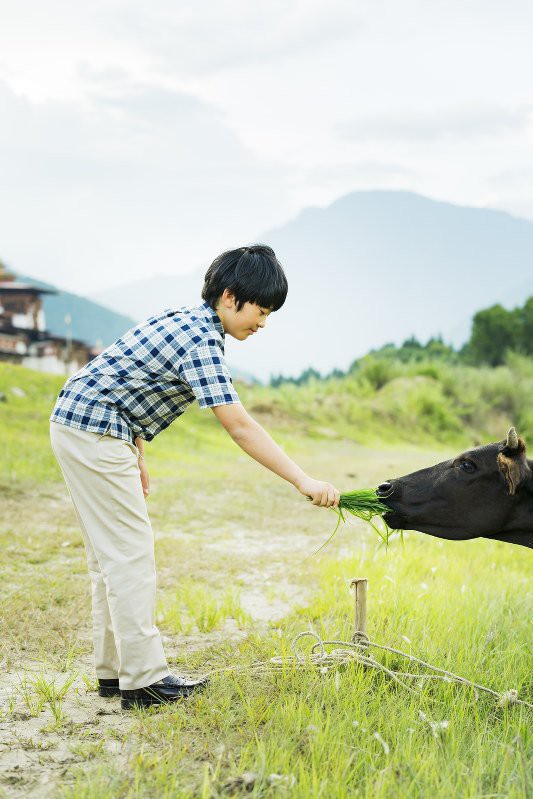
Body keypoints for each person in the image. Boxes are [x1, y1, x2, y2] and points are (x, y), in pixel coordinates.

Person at [49, 244, 340, 710]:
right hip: (92, 429)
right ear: (230, 297)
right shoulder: (200, 339)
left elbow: (125, 377)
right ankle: (143, 680)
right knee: (129, 556)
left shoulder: (185, 319)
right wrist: (303, 480)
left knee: (109, 559)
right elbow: (240, 425)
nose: (262, 323)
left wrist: (133, 447)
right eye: (260, 311)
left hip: (88, 425)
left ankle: (115, 673)